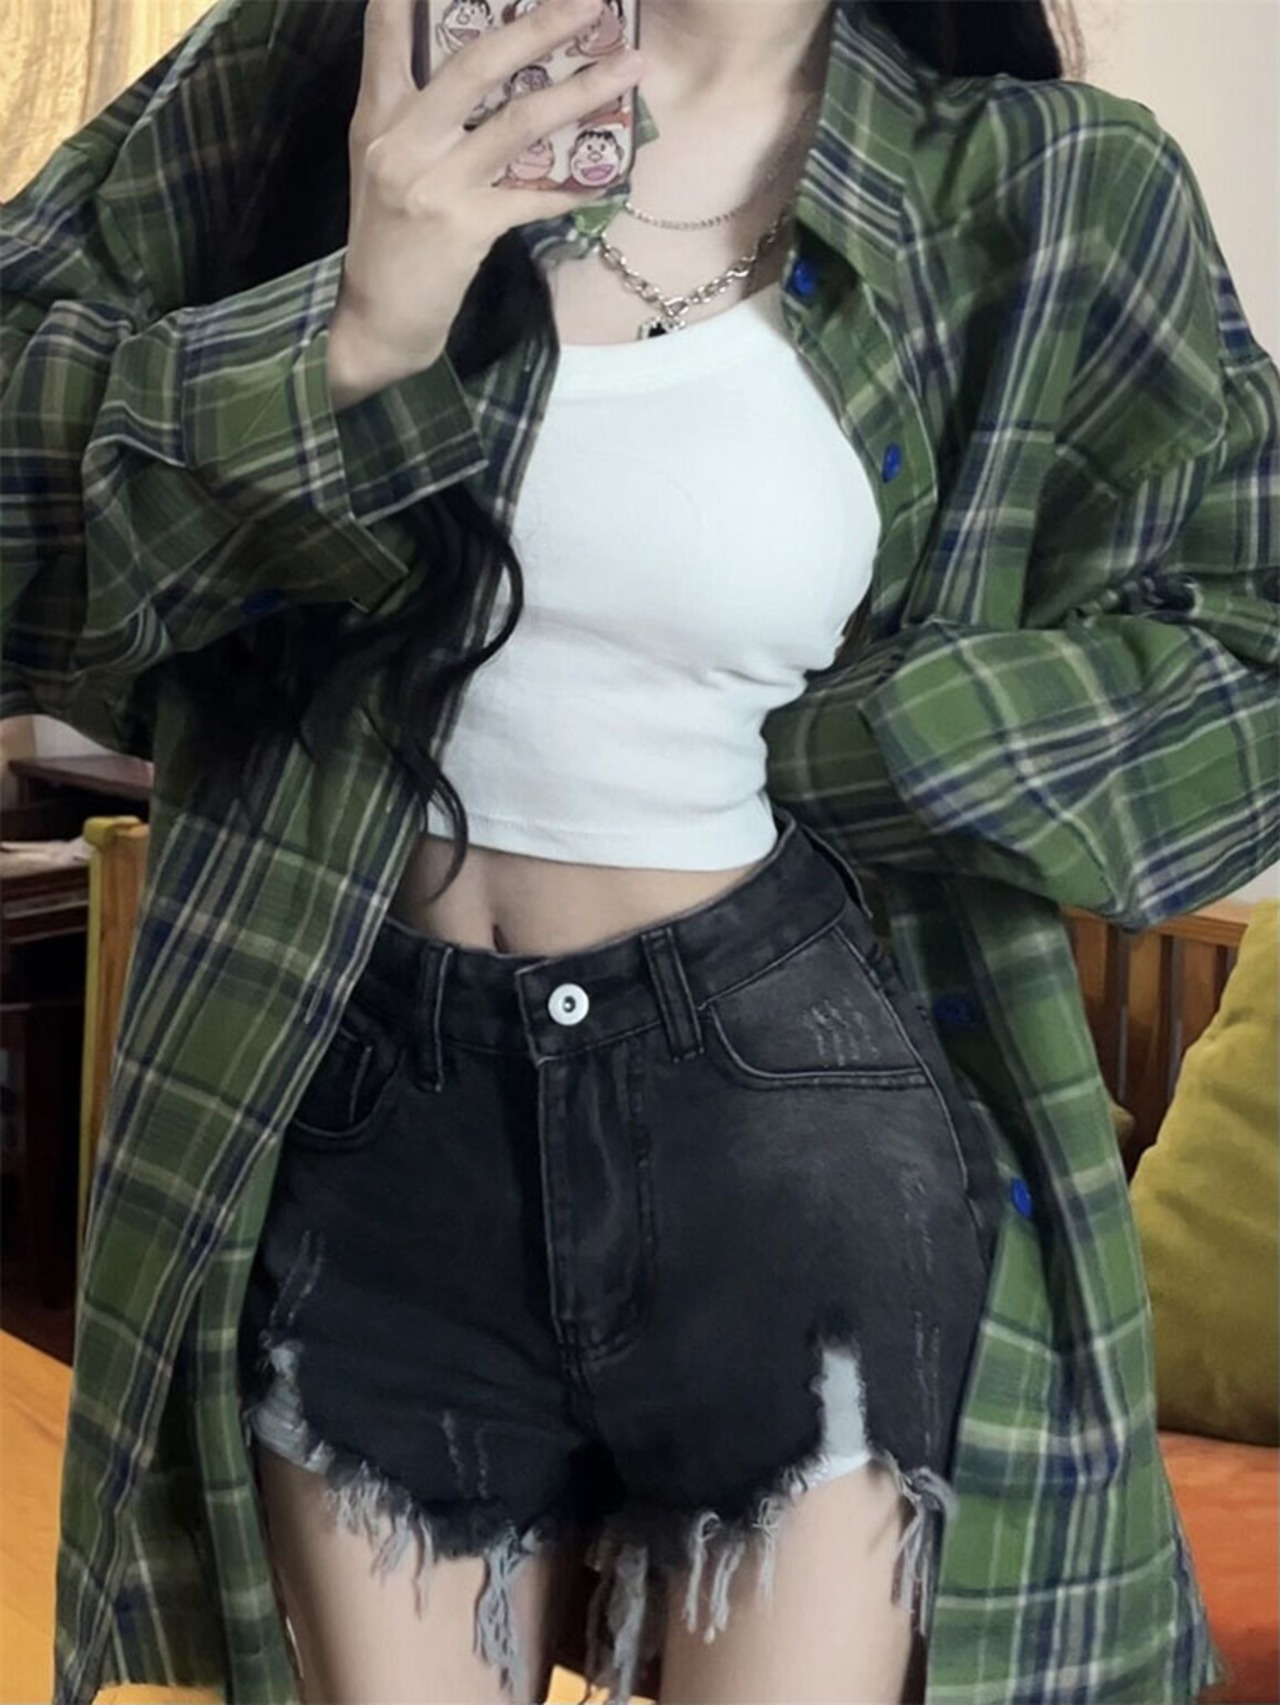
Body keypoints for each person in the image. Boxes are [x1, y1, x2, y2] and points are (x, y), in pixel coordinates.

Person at [2, 0, 1276, 1700]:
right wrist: (346, 334)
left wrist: (862, 738)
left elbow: (1249, 647)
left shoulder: (1043, 186)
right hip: (365, 1102)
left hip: (786, 1122)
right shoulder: (329, 60)